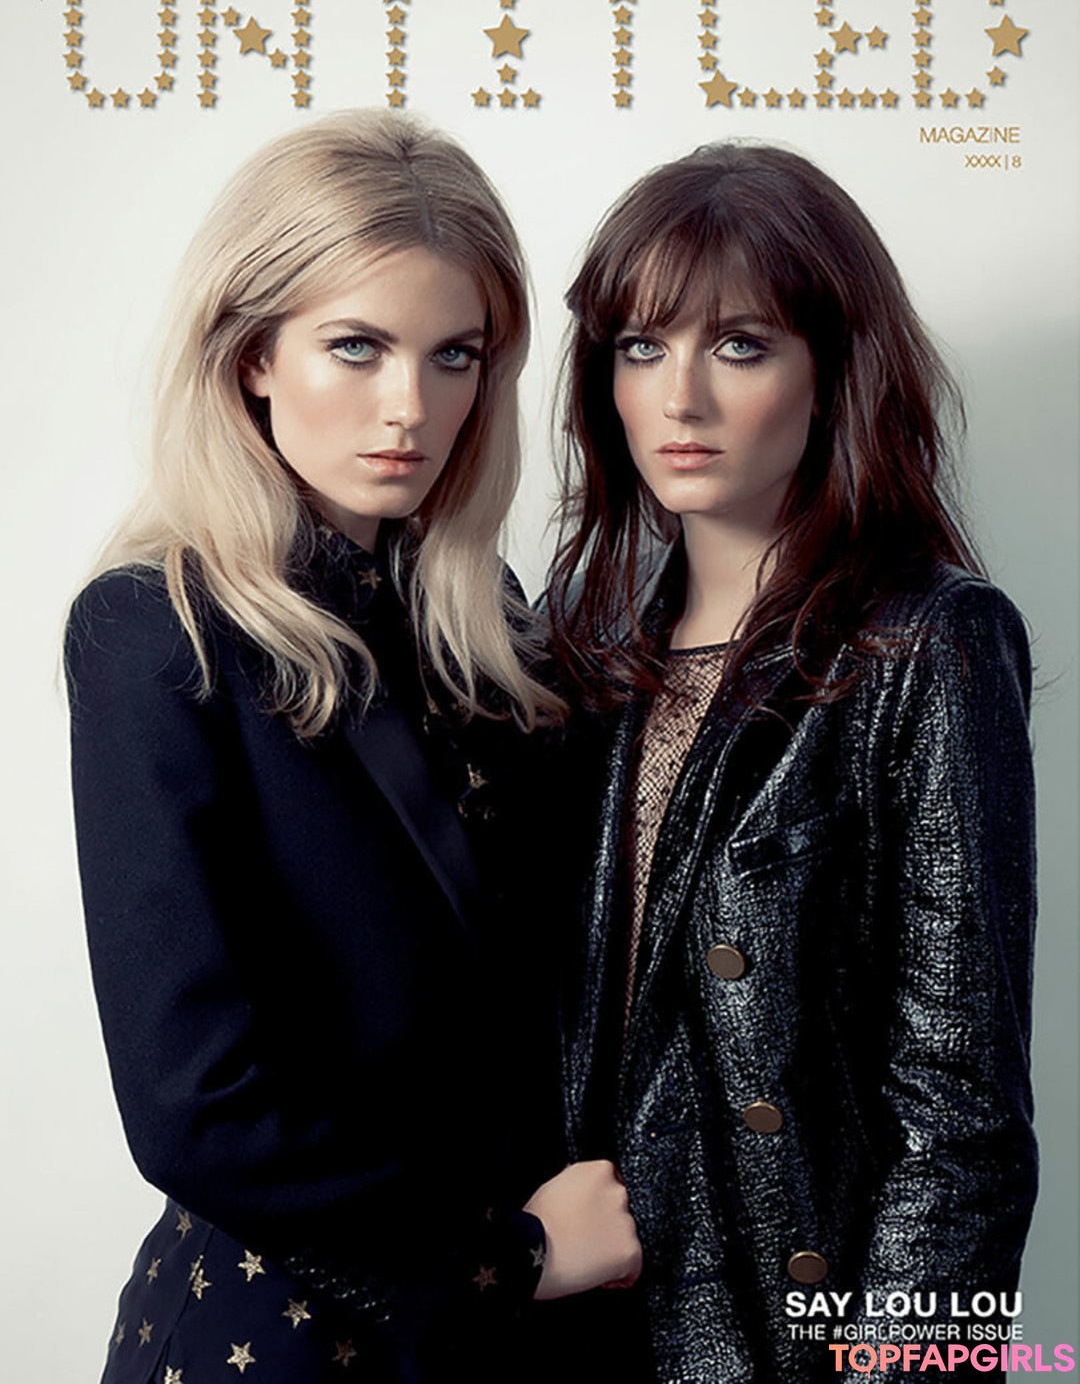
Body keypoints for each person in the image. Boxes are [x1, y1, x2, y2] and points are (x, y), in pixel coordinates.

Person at [65, 110, 639, 1384]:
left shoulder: (489, 625)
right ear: (251, 354)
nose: (410, 408)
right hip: (275, 1330)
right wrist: (514, 1256)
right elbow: (193, 1106)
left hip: (507, 1334)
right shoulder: (155, 629)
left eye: (455, 356)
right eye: (357, 346)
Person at [547, 142, 1037, 1382]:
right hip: (575, 1316)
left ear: (833, 373)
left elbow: (961, 1113)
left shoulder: (925, 642)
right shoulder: (579, 647)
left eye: (740, 345)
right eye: (641, 346)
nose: (681, 399)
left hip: (785, 1328)